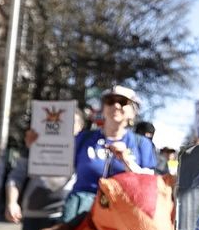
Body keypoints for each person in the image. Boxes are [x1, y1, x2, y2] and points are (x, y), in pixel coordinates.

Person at [63, 86, 158, 222]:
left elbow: (149, 184)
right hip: (81, 214)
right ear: (104, 108)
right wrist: (38, 145)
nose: (116, 105)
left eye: (123, 102)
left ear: (133, 112)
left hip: (123, 216)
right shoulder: (83, 138)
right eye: (110, 101)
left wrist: (127, 161)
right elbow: (59, 173)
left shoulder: (141, 144)